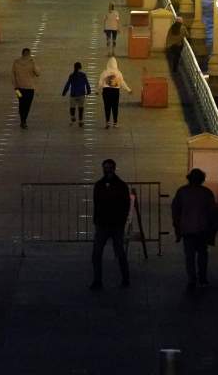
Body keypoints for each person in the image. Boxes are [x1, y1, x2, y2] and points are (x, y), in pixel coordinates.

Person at [171, 168, 217, 292]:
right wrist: (212, 231)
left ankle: (192, 280)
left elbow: (175, 211)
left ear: (189, 178)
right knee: (202, 255)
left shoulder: (182, 192)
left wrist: (177, 229)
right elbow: (212, 213)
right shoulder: (207, 193)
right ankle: (203, 278)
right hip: (202, 229)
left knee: (189, 256)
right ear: (202, 179)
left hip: (187, 229)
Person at [90, 158, 131, 289]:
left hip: (113, 224)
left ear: (113, 168)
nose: (107, 170)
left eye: (109, 167)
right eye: (105, 167)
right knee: (100, 253)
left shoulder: (112, 185)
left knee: (117, 252)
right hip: (106, 223)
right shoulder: (114, 185)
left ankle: (123, 278)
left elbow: (125, 204)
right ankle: (100, 280)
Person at [98, 56, 133, 128]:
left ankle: (107, 122)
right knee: (115, 107)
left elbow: (100, 82)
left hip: (106, 92)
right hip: (115, 92)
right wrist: (128, 90)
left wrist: (97, 90)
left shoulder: (104, 72)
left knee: (107, 107)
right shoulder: (118, 73)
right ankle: (115, 123)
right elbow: (122, 83)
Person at [12, 47, 40, 128]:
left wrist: (15, 86)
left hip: (18, 88)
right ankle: (24, 120)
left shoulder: (16, 62)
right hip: (30, 88)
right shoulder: (31, 62)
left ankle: (22, 118)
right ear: (29, 54)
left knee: (21, 102)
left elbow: (12, 75)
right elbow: (37, 73)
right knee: (28, 104)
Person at [61, 61, 92, 125]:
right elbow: (87, 83)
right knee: (81, 107)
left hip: (73, 94)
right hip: (81, 93)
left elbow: (68, 84)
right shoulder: (83, 75)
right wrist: (89, 90)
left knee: (72, 107)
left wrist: (64, 91)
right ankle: (80, 121)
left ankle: (73, 116)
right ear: (80, 68)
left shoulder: (71, 75)